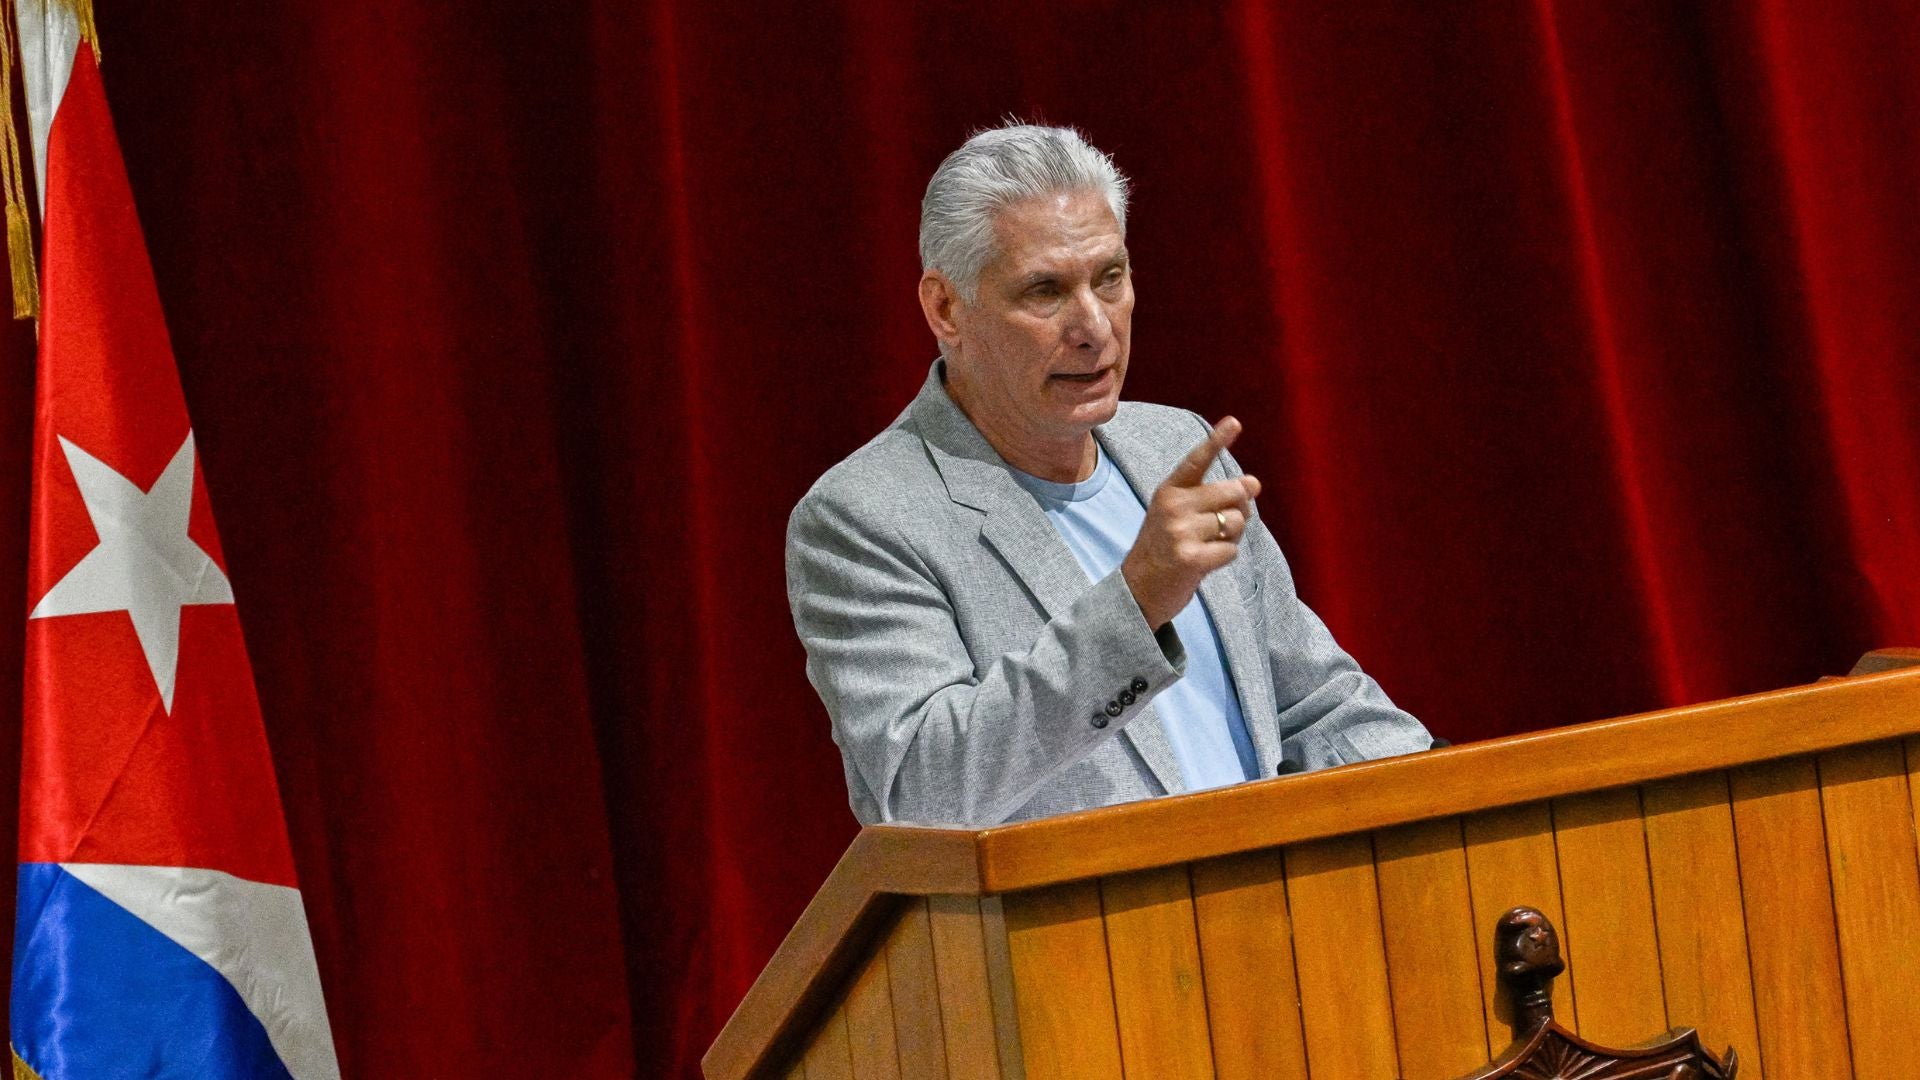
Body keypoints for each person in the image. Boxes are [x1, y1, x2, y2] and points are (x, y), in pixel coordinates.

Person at [786, 122, 1431, 826]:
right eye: (1045, 290)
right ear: (945, 309)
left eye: (1110, 278)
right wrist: (1137, 602)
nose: (1094, 326)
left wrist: (1452, 797)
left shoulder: (1175, 447)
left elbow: (1315, 706)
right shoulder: (866, 517)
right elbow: (924, 790)